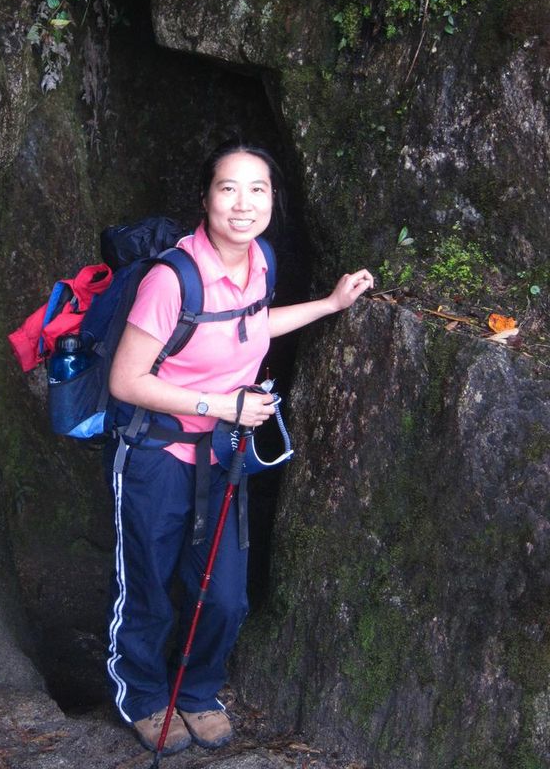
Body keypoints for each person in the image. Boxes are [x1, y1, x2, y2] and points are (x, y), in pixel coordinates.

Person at [106, 140, 374, 755]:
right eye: (229, 188)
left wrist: (331, 305)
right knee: (146, 583)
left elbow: (253, 323)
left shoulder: (261, 262)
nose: (243, 203)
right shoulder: (171, 279)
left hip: (222, 458)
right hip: (154, 455)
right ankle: (144, 697)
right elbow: (127, 381)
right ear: (205, 199)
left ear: (273, 200)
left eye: (258, 189)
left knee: (224, 594)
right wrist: (220, 406)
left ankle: (197, 691)